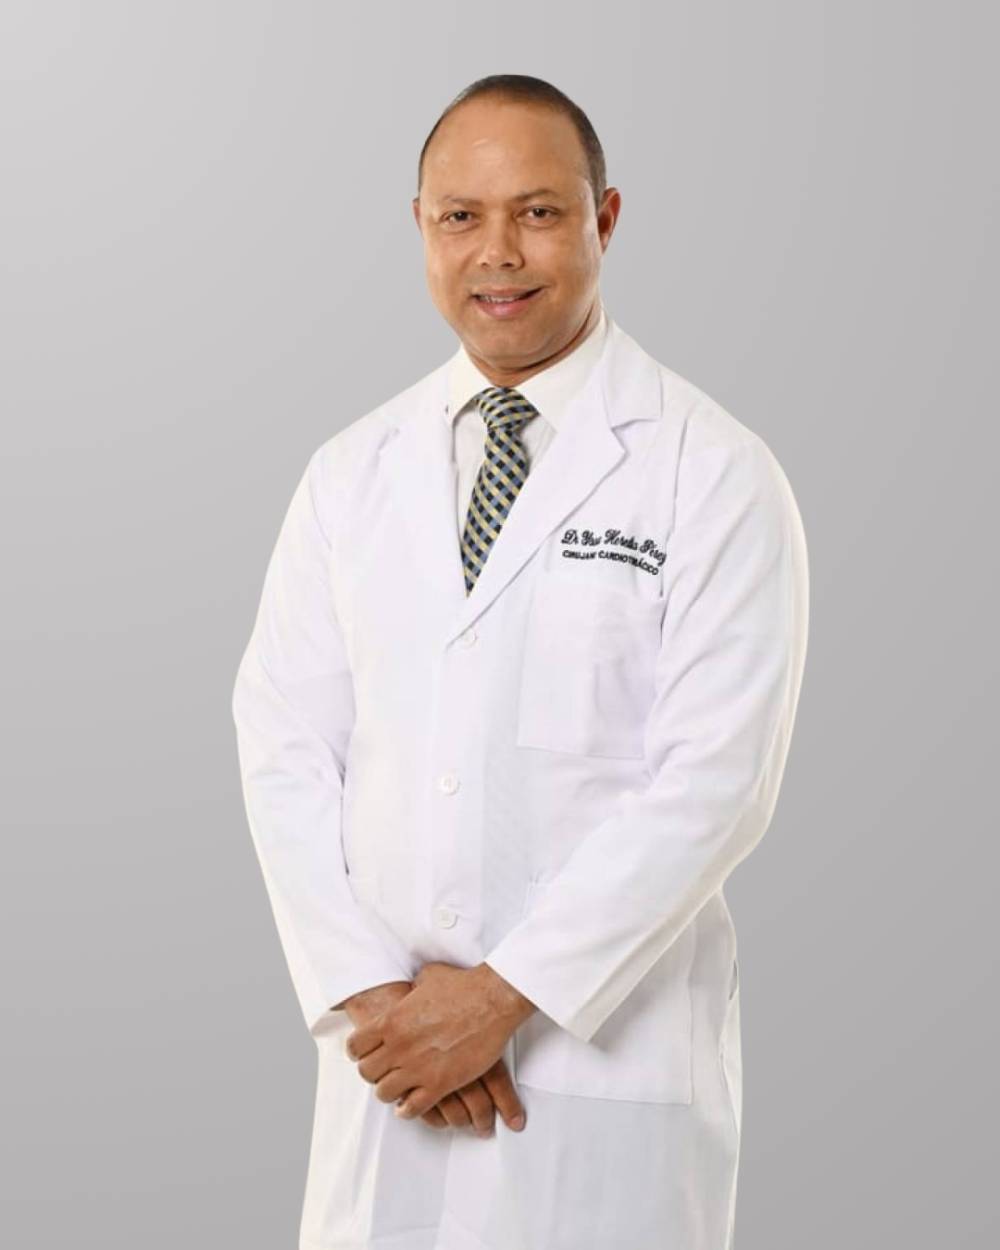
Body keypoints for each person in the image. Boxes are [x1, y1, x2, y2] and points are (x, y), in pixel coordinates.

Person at [231, 73, 809, 1250]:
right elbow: (283, 745)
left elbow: (716, 783)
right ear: (421, 228)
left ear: (604, 219)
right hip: (390, 1075)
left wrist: (500, 1000)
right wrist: (379, 1002)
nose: (497, 252)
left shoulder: (711, 470)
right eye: (462, 216)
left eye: (539, 212)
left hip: (599, 1080)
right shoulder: (349, 473)